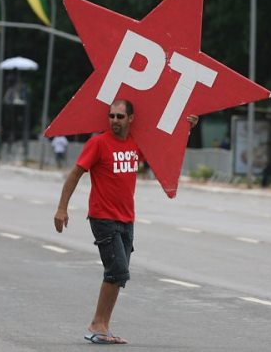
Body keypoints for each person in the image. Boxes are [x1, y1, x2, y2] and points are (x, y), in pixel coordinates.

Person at [53, 99, 198, 344]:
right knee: (117, 270)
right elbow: (75, 173)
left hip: (127, 218)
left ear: (131, 119)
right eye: (111, 116)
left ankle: (102, 325)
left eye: (120, 117)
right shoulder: (98, 143)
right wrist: (61, 208)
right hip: (103, 217)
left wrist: (187, 128)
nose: (115, 121)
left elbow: (164, 146)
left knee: (117, 276)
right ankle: (96, 324)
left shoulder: (135, 144)